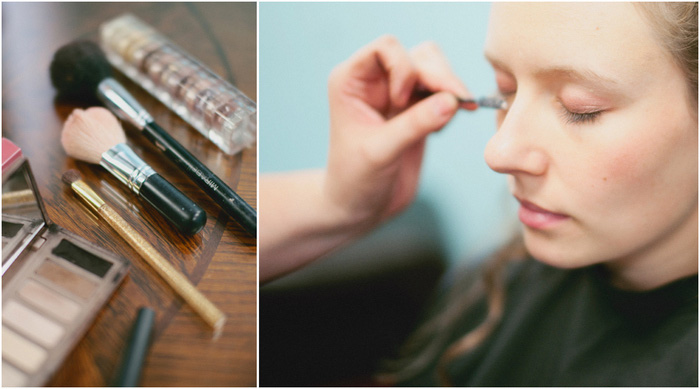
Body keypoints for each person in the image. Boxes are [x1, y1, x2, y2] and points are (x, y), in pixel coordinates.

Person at [260, 2, 698, 386]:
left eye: (581, 109)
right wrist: (337, 204)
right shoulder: (496, 289)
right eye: (505, 90)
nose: (499, 150)